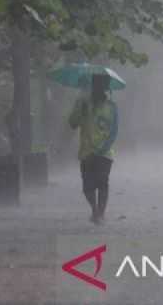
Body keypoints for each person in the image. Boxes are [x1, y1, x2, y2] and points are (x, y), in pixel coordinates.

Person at [68, 74, 118, 225]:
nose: (100, 90)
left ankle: (100, 214)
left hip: (105, 153)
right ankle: (95, 209)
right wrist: (80, 110)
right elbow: (72, 123)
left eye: (103, 87)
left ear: (106, 89)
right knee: (87, 186)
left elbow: (114, 130)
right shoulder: (83, 103)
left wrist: (104, 148)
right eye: (97, 87)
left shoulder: (111, 107)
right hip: (86, 152)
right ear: (92, 87)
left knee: (103, 183)